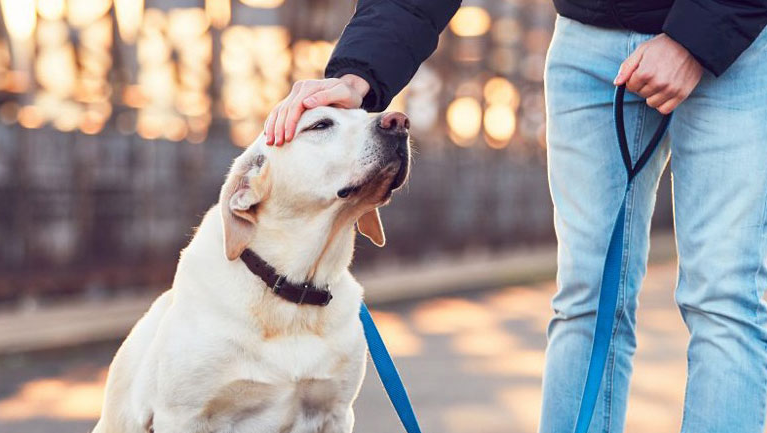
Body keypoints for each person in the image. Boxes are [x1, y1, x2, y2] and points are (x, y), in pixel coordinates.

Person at [264, 0, 767, 432]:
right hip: (589, 44)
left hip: (736, 40)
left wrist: (696, 38)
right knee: (585, 299)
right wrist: (359, 73)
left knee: (721, 295)